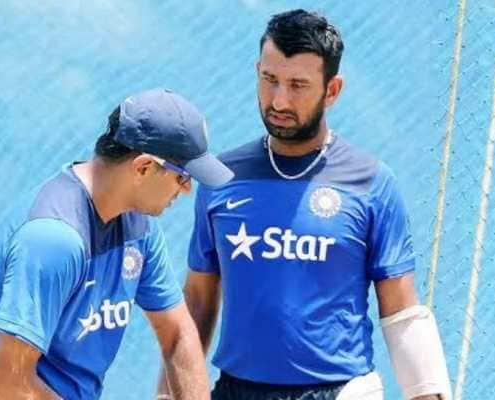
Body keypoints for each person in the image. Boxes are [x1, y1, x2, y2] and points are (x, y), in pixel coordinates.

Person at [157, 9, 451, 400]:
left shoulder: (371, 183)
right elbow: (197, 300)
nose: (279, 99)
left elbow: (401, 312)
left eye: (298, 85)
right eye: (269, 79)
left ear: (332, 90)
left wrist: (428, 393)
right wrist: (167, 395)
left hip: (341, 391)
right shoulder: (221, 177)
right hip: (236, 390)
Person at [0, 88, 233, 399]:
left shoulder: (139, 225)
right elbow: (11, 386)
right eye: (182, 177)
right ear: (142, 168)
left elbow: (178, 334)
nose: (188, 190)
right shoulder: (54, 240)